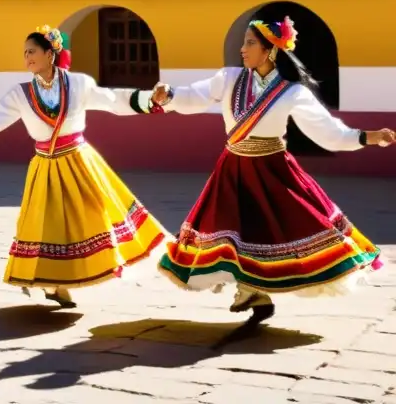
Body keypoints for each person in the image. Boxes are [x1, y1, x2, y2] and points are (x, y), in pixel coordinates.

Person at [150, 17, 394, 323]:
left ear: (271, 50)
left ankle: (254, 288)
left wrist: (366, 137)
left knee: (269, 230)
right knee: (232, 232)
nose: (242, 49)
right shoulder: (229, 79)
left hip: (272, 168)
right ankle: (251, 290)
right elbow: (196, 96)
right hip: (233, 167)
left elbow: (328, 131)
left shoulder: (292, 92)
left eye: (250, 43)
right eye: (244, 42)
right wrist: (170, 93)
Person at [0, 25, 166, 308]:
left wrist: (147, 100)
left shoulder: (78, 84)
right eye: (24, 53)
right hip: (46, 167)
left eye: (32, 51)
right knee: (48, 226)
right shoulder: (20, 94)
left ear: (50, 54)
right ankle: (53, 284)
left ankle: (100, 264)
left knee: (95, 215)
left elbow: (112, 100)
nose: (27, 57)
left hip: (80, 162)